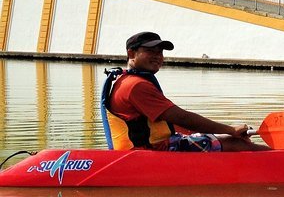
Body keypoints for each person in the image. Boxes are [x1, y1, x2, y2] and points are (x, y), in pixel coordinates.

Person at [102, 31, 269, 152]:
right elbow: (182, 117)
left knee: (225, 138)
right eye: (150, 51)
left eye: (160, 52)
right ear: (131, 53)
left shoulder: (125, 80)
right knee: (237, 144)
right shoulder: (136, 85)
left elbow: (169, 122)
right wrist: (230, 129)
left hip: (148, 146)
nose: (158, 56)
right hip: (149, 152)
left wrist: (212, 132)